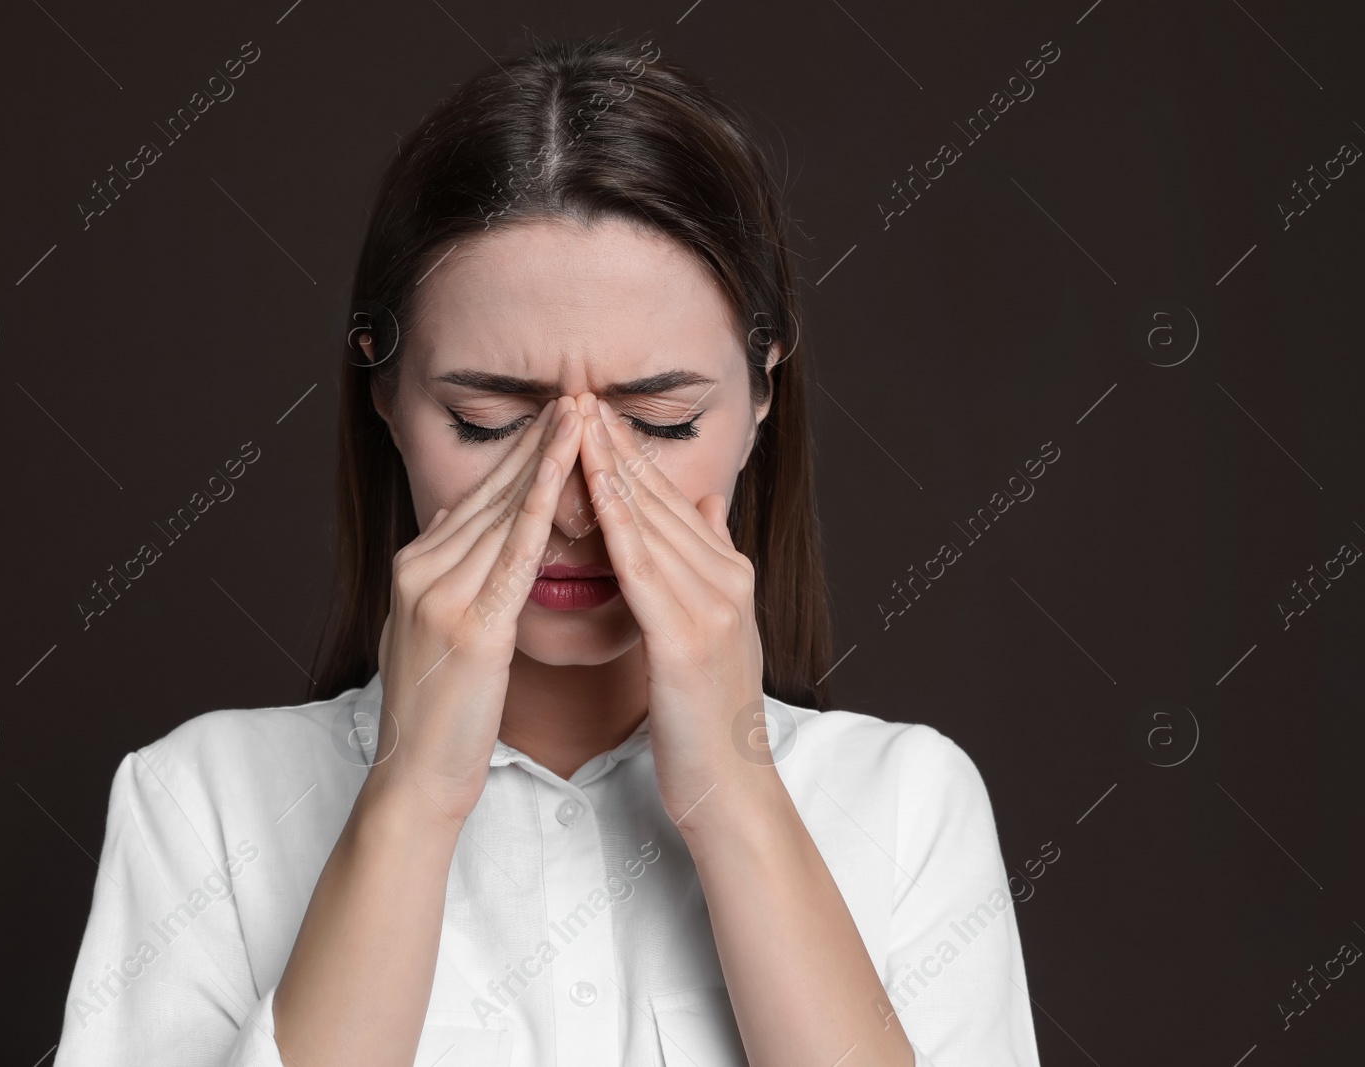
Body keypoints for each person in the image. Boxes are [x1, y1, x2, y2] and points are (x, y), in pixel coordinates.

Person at [52, 34, 1039, 1067]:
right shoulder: (204, 801)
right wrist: (409, 800)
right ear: (385, 400)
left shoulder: (909, 802)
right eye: (487, 420)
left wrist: (736, 796)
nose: (573, 503)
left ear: (759, 399)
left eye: (658, 422)